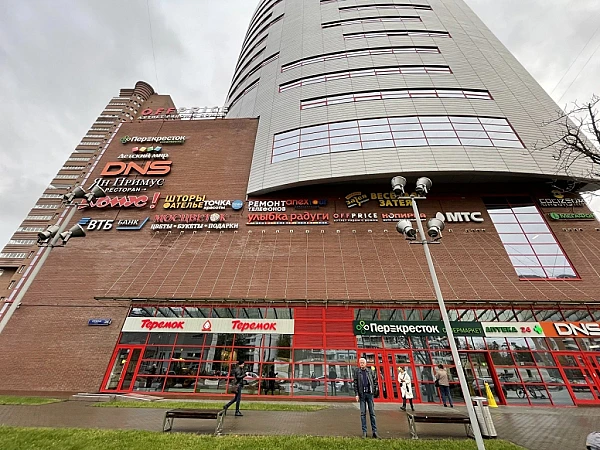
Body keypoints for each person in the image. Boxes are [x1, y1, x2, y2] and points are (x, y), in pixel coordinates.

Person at [353, 357, 380, 439]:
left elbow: (374, 381)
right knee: (363, 414)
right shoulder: (357, 372)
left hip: (369, 394)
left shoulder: (370, 371)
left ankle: (374, 432)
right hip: (362, 395)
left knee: (372, 413)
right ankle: (364, 432)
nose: (361, 364)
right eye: (360, 362)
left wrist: (374, 391)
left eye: (363, 362)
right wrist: (356, 394)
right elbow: (355, 383)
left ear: (366, 363)